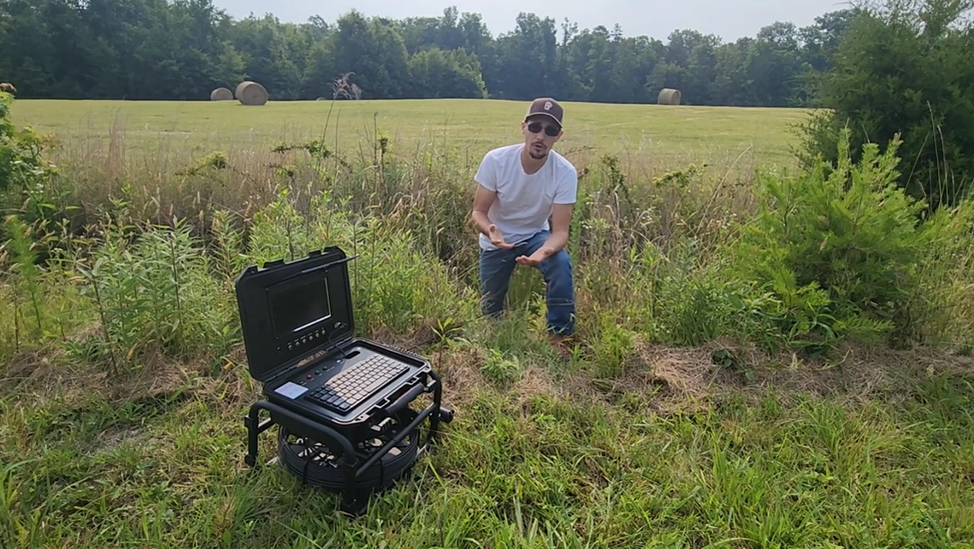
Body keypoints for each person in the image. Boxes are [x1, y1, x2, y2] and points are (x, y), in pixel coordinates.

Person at [469, 97, 578, 355]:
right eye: (535, 127)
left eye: (550, 131)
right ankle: (497, 330)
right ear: (523, 127)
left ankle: (560, 336)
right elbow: (478, 212)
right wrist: (491, 231)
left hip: (535, 236)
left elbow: (560, 232)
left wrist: (543, 253)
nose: (541, 136)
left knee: (560, 263)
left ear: (558, 136)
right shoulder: (496, 161)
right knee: (490, 313)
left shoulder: (565, 172)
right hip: (496, 240)